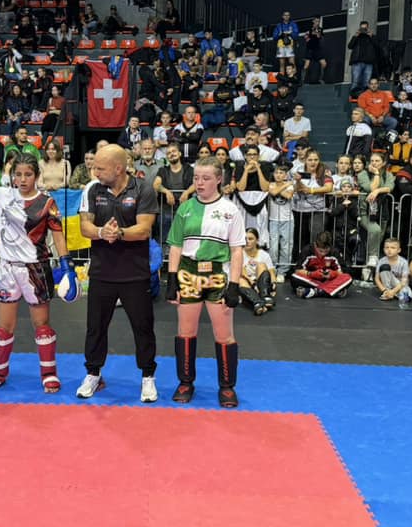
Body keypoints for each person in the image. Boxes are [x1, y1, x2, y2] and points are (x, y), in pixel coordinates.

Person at [0, 134, 75, 394]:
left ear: (36, 175)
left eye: (28, 174)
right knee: (4, 328)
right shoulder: (2, 195)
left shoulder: (47, 202)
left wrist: (67, 266)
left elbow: (58, 235)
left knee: (42, 326)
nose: (22, 179)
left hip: (36, 268)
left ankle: (49, 374)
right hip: (7, 268)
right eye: (18, 174)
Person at [77, 144, 159, 402]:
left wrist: (120, 233)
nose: (95, 172)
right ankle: (93, 373)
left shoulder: (143, 189)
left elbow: (144, 229)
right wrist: (102, 232)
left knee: (143, 327)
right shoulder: (93, 189)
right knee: (95, 327)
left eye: (101, 168)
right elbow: (85, 226)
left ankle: (148, 377)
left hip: (135, 272)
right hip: (102, 271)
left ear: (118, 168)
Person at [165, 156, 245, 407]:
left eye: (206, 178)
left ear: (219, 179)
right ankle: (185, 382)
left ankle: (227, 386)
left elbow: (237, 250)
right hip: (188, 274)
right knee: (185, 332)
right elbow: (175, 245)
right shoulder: (185, 208)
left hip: (218, 275)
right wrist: (171, 279)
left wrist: (234, 285)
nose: (199, 183)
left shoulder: (231, 210)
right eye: (196, 178)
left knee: (224, 334)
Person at [292, 231, 353, 298]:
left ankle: (315, 292)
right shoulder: (307, 250)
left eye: (326, 251)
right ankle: (332, 291)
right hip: (312, 279)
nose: (323, 254)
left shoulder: (334, 252)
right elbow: (297, 270)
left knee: (348, 278)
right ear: (315, 245)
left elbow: (343, 271)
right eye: (320, 251)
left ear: (330, 247)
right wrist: (311, 274)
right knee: (295, 277)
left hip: (329, 280)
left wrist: (333, 274)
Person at [238, 227, 275, 316]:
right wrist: (253, 284)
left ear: (257, 240)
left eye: (250, 239)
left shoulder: (264, 255)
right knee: (240, 279)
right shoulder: (239, 254)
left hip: (261, 284)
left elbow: (271, 272)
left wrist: (274, 284)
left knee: (261, 265)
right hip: (248, 283)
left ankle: (265, 296)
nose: (247, 241)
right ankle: (257, 302)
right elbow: (241, 272)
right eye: (245, 239)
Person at [374, 237, 412, 305]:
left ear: (399, 250)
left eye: (393, 248)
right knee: (384, 267)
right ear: (384, 249)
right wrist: (384, 290)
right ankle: (387, 293)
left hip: (399, 285)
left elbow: (404, 281)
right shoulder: (381, 261)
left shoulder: (404, 262)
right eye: (387, 247)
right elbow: (377, 279)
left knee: (407, 297)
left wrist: (393, 291)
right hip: (387, 285)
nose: (389, 250)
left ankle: (391, 294)